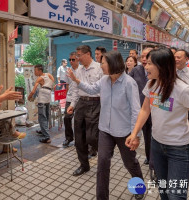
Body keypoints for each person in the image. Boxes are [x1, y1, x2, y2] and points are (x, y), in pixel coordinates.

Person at [126, 48, 189, 200]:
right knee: (163, 190)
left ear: (161, 65)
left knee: (176, 195)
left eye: (149, 63)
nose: (145, 67)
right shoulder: (151, 85)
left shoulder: (183, 89)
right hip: (157, 145)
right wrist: (134, 133)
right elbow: (144, 109)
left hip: (179, 149)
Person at [67, 51, 144, 200]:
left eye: (103, 63)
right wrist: (76, 80)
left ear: (113, 64)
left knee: (130, 163)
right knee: (102, 164)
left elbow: (136, 111)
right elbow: (90, 89)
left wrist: (136, 135)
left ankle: (139, 188)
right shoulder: (104, 80)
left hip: (124, 133)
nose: (101, 65)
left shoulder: (129, 83)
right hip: (105, 131)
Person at [67, 45, 103, 176]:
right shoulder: (79, 70)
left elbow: (101, 89)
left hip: (95, 103)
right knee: (79, 138)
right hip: (81, 103)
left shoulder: (99, 68)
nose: (77, 58)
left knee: (92, 136)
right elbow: (76, 89)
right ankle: (84, 165)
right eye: (76, 56)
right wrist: (72, 104)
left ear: (88, 54)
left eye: (79, 55)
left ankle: (103, 153)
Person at [129, 47, 153, 165]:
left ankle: (153, 159)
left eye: (147, 56)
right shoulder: (135, 70)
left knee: (153, 137)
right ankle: (149, 157)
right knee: (144, 135)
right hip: (141, 110)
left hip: (155, 111)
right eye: (142, 56)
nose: (144, 59)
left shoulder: (158, 71)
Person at [28, 64, 54, 143]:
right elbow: (52, 83)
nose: (34, 72)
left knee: (42, 117)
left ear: (39, 71)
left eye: (35, 71)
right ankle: (43, 131)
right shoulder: (49, 75)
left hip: (42, 98)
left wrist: (29, 97)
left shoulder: (39, 78)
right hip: (48, 97)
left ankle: (46, 137)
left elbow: (33, 91)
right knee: (46, 115)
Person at [62, 52, 79, 147]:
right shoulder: (68, 71)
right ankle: (69, 138)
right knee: (67, 118)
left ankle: (79, 139)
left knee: (78, 120)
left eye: (73, 59)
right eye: (70, 60)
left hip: (79, 98)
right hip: (70, 98)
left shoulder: (81, 70)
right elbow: (67, 85)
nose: (71, 61)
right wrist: (67, 95)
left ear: (78, 59)